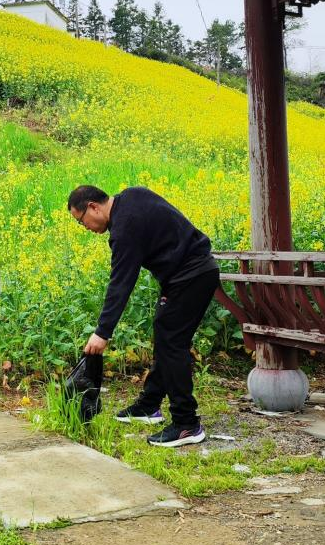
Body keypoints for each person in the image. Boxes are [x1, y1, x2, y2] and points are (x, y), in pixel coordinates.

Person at [68, 184, 220, 447]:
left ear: (93, 207)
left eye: (82, 222)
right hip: (191, 273)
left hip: (192, 275)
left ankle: (187, 424)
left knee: (172, 343)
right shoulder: (132, 195)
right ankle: (149, 406)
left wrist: (102, 332)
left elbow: (121, 284)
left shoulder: (124, 230)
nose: (86, 229)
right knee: (165, 335)